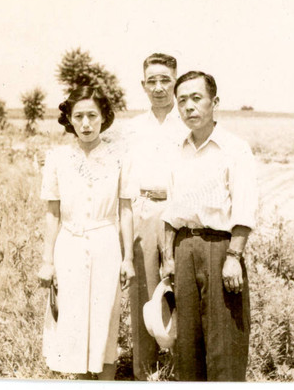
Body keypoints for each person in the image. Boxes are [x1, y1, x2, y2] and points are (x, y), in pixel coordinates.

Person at [161, 71, 258, 381]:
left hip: (220, 249)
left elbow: (245, 208)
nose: (189, 107)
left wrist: (234, 257)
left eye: (196, 98)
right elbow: (171, 209)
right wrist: (168, 256)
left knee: (224, 342)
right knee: (188, 345)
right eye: (182, 101)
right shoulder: (178, 149)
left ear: (214, 102)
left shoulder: (235, 148)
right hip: (184, 247)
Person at [37, 85, 136, 380]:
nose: (86, 123)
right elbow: (52, 213)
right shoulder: (57, 158)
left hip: (106, 245)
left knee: (106, 318)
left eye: (92, 115)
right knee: (73, 321)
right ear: (69, 118)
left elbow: (126, 210)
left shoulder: (120, 158)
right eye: (78, 116)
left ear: (104, 117)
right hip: (69, 246)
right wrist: (47, 261)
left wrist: (128, 258)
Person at [126, 52, 188, 380]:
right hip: (144, 212)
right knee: (144, 296)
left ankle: (182, 374)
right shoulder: (133, 128)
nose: (159, 87)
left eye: (165, 80)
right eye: (152, 81)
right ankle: (144, 373)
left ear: (176, 83)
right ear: (143, 85)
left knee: (181, 292)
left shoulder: (189, 123)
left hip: (180, 214)